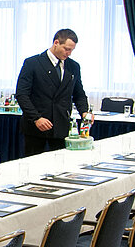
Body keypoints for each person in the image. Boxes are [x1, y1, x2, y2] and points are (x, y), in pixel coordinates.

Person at [15, 28, 90, 157]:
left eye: (72, 50)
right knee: (34, 163)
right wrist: (36, 118)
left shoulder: (73, 66)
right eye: (66, 49)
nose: (69, 53)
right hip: (36, 126)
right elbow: (22, 94)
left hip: (61, 125)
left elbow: (79, 94)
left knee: (60, 163)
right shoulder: (33, 63)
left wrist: (84, 112)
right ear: (56, 43)